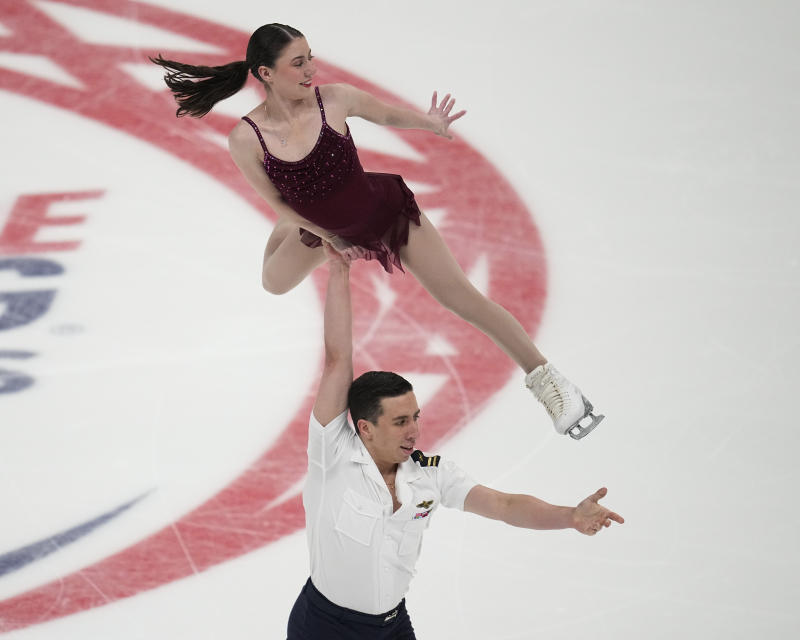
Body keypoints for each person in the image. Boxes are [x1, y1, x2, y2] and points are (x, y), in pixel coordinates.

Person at [151, 24, 602, 439]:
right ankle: (306, 223)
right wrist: (321, 233)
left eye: (311, 57)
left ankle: (552, 384)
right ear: (265, 73)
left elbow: (385, 115)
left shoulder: (336, 99)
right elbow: (274, 201)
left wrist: (430, 122)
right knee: (273, 282)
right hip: (320, 227)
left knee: (460, 297)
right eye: (297, 63)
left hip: (380, 213)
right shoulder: (246, 138)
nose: (310, 70)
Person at [285, 243, 623, 639]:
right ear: (364, 428)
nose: (413, 430)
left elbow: (504, 505)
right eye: (399, 422)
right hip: (326, 627)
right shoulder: (333, 454)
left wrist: (568, 516)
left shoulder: (431, 475)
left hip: (392, 627)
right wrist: (339, 271)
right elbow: (338, 358)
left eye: (415, 417)